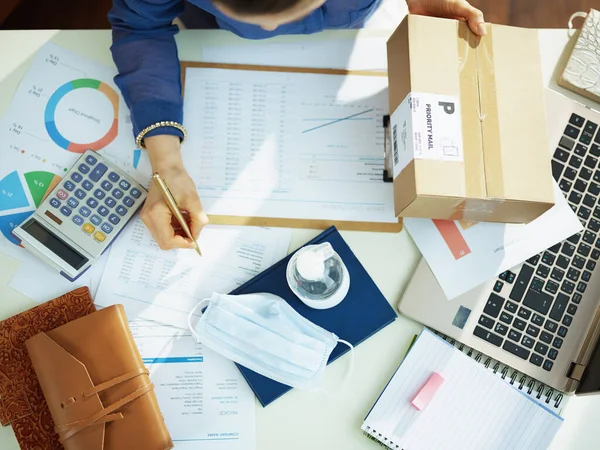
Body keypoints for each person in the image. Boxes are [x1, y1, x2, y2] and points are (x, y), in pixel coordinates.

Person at [109, 0, 486, 251]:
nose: (270, 26)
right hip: (211, 37)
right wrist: (167, 162)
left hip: (364, 33)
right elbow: (141, 27)